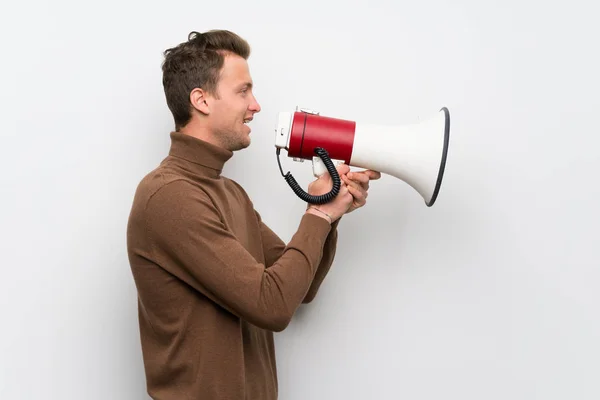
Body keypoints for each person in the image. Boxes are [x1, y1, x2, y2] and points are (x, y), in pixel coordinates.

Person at [126, 29, 381, 400]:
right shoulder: (170, 196)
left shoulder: (229, 193)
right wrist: (318, 216)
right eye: (242, 91)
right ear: (201, 100)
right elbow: (272, 306)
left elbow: (299, 289)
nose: (256, 105)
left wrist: (331, 210)